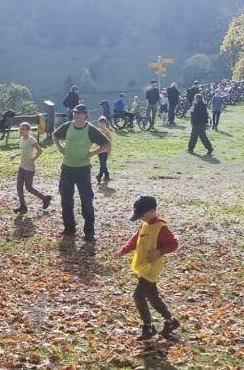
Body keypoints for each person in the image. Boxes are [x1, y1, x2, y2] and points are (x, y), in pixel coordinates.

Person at [113, 195, 180, 341]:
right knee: (152, 296)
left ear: (151, 211)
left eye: (141, 215)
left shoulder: (161, 228)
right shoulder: (146, 225)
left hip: (151, 268)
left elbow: (173, 244)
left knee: (138, 295)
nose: (140, 218)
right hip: (144, 267)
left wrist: (159, 252)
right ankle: (171, 321)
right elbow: (136, 239)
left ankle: (148, 327)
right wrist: (124, 250)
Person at [52, 104, 110, 241]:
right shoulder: (68, 126)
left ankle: (89, 232)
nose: (75, 115)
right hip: (67, 168)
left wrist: (92, 153)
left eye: (78, 113)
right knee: (66, 199)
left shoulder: (90, 129)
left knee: (86, 200)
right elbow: (55, 135)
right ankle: (69, 228)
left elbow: (106, 144)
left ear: (85, 115)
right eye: (74, 112)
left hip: (83, 170)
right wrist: (60, 147)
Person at [10, 122, 52, 214]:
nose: (21, 131)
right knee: (19, 187)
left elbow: (40, 151)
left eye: (23, 129)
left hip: (29, 167)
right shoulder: (21, 139)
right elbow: (23, 151)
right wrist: (15, 155)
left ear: (28, 130)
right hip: (22, 166)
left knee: (29, 187)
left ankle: (45, 198)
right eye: (20, 129)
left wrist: (33, 159)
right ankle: (22, 206)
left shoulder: (31, 139)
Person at [96, 116, 112, 183]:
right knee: (102, 164)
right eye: (100, 123)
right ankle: (107, 175)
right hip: (99, 150)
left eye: (103, 123)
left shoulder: (107, 132)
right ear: (98, 123)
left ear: (105, 124)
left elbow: (109, 142)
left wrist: (108, 149)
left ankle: (99, 175)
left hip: (105, 151)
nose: (102, 125)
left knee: (102, 163)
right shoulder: (97, 131)